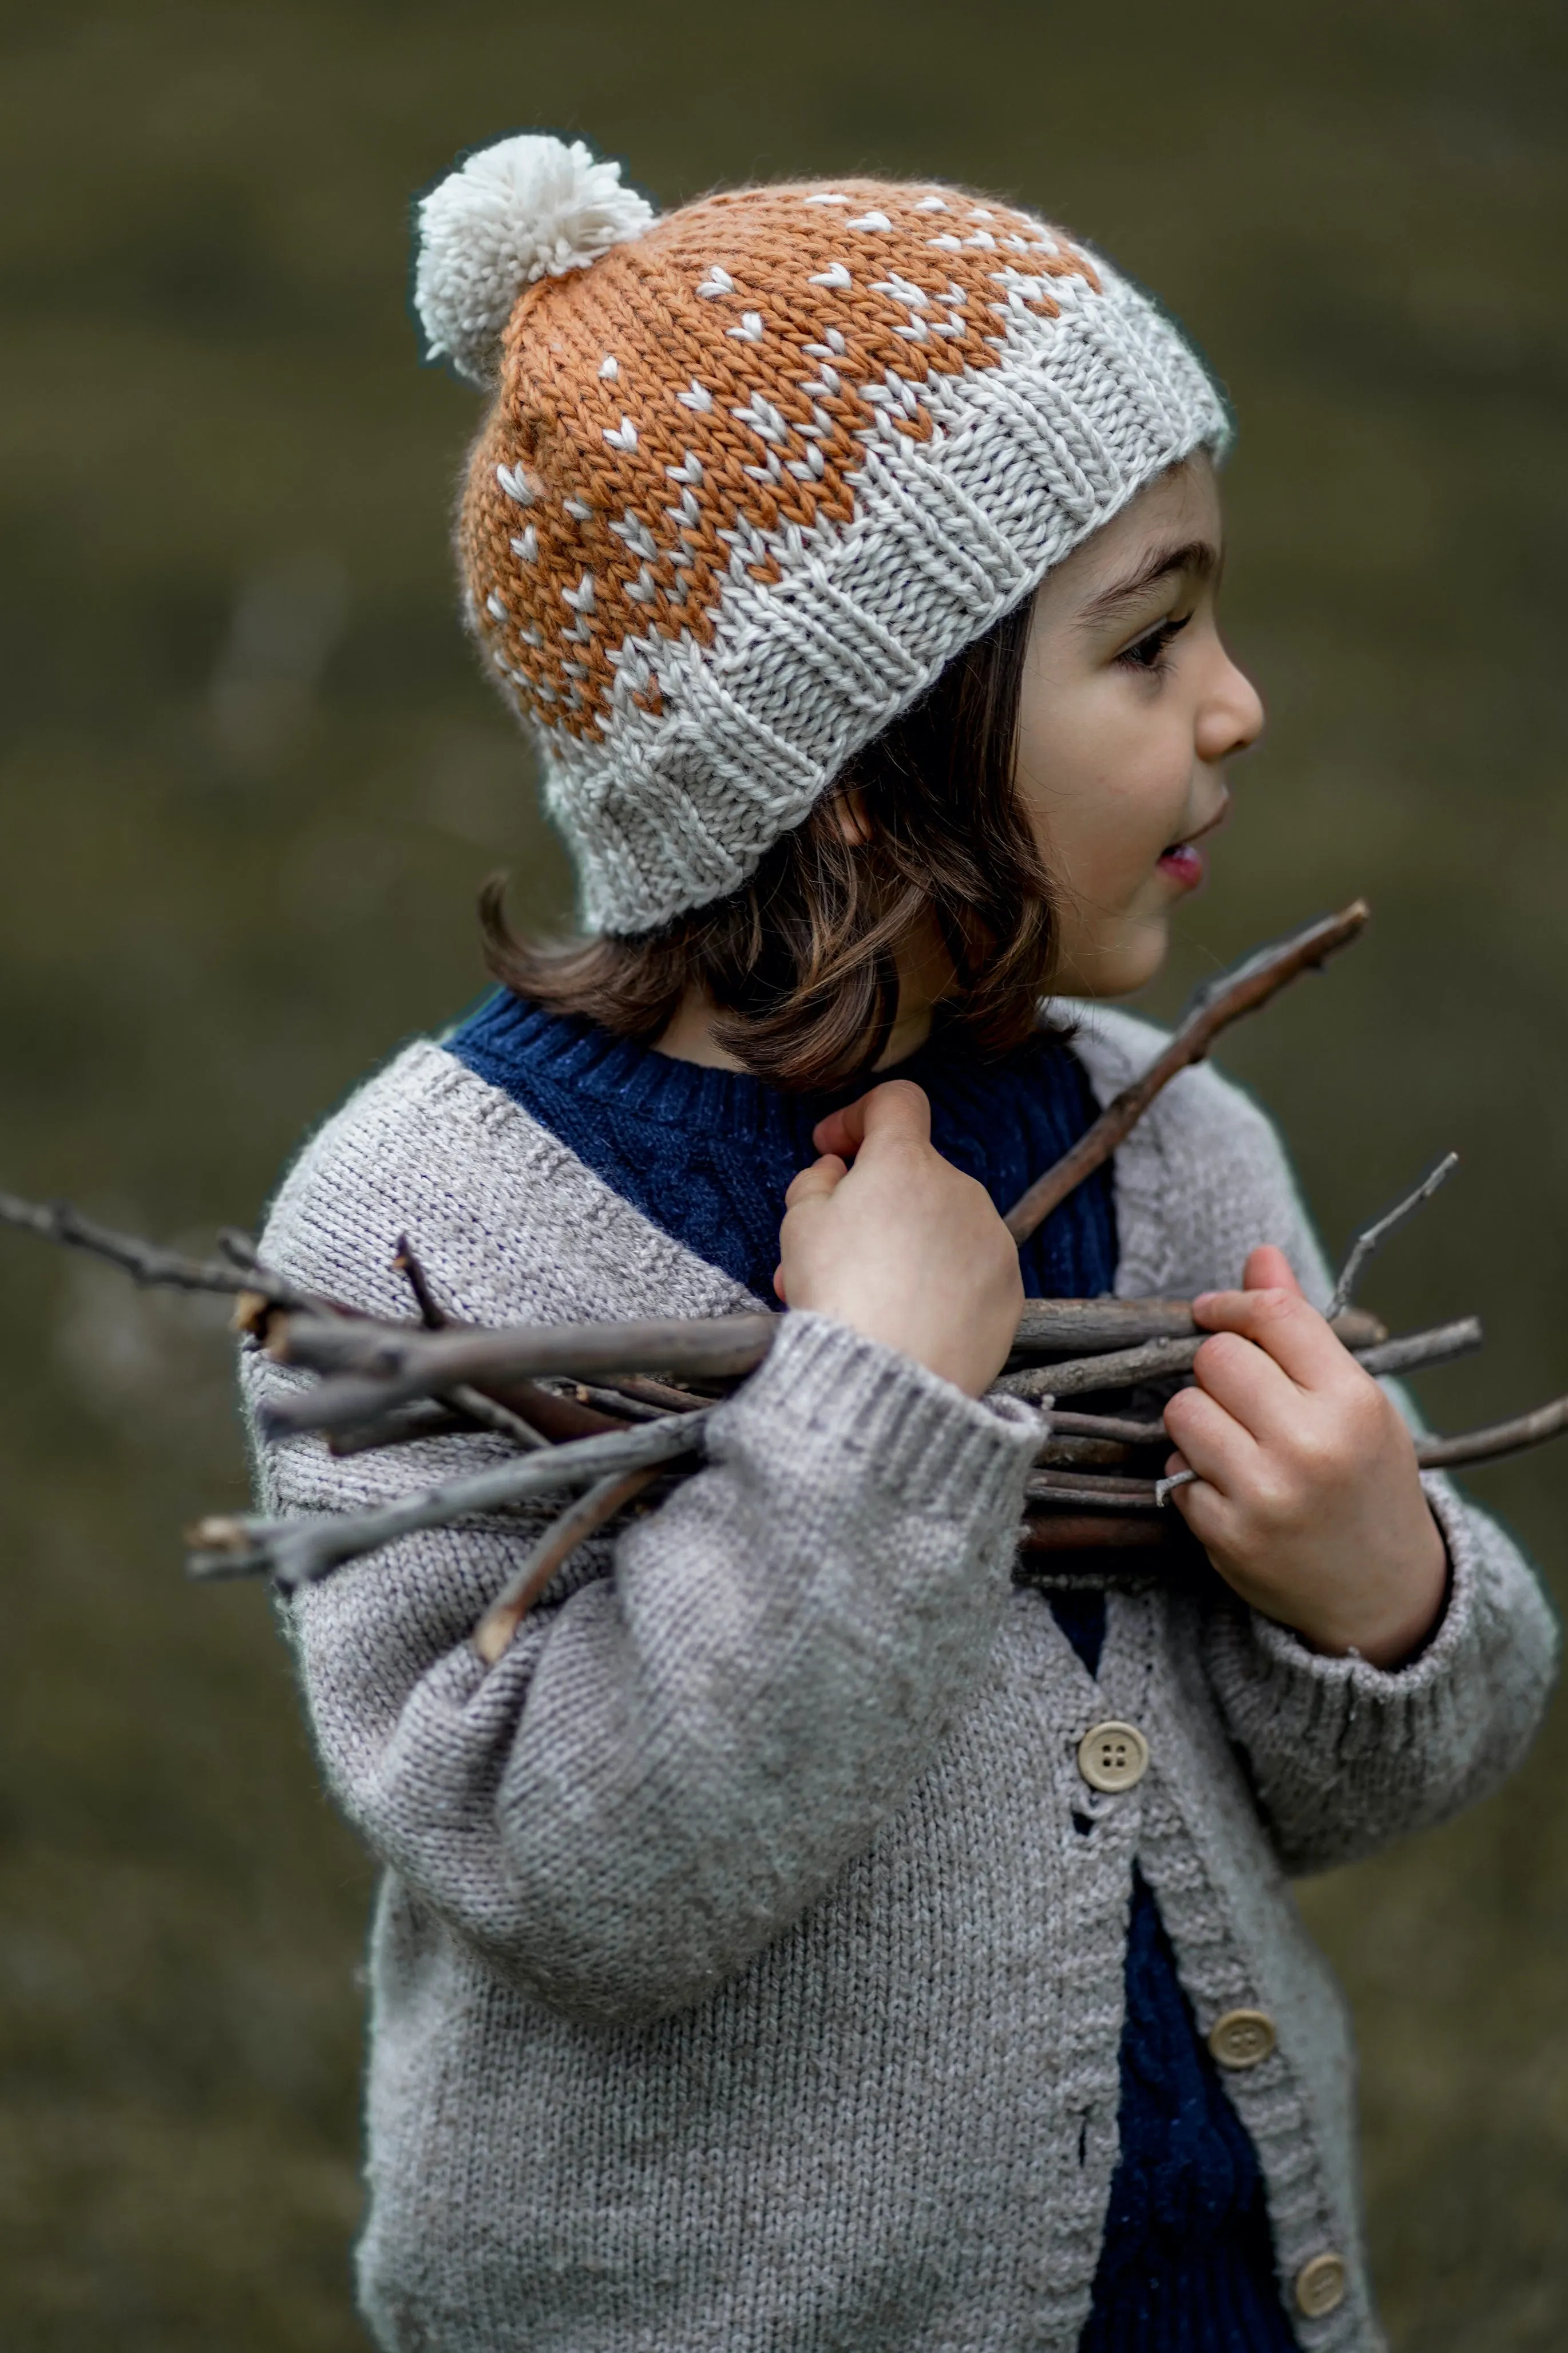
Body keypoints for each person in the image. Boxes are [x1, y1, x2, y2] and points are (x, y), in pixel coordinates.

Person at [244, 134, 1557, 2352]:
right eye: (1147, 641)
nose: (1234, 704)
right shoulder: (428, 1231)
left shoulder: (1169, 1145)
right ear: (853, 762)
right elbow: (582, 1876)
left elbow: (1373, 1773)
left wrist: (1389, 1594)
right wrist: (865, 1406)